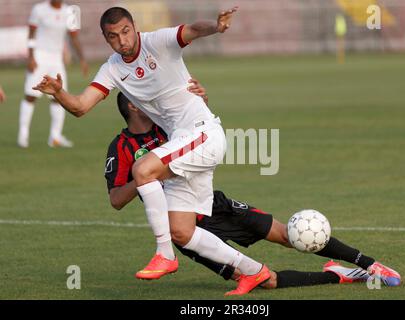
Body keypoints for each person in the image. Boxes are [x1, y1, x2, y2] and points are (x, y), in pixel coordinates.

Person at [33, 6, 275, 296]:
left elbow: (192, 30)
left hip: (202, 132)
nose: (122, 41)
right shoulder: (111, 68)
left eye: (125, 31)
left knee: (143, 169)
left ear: (134, 27)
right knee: (182, 231)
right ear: (106, 39)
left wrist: (218, 26)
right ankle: (253, 271)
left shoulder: (156, 41)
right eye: (113, 36)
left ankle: (165, 256)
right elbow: (81, 107)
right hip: (184, 143)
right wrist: (59, 92)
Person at [104, 84, 401, 289]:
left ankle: (371, 265)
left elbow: (201, 125)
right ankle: (340, 276)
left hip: (213, 205)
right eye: (145, 97)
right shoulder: (121, 147)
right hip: (186, 231)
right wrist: (144, 176)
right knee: (266, 280)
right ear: (132, 104)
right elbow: (116, 199)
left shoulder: (168, 126)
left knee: (288, 234)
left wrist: (202, 100)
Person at [19, 0, 88, 148]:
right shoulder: (39, 9)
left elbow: (74, 37)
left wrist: (82, 59)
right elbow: (31, 35)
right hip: (39, 56)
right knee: (31, 95)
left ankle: (55, 137)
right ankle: (23, 135)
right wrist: (31, 57)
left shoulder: (69, 11)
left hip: (56, 59)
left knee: (59, 96)